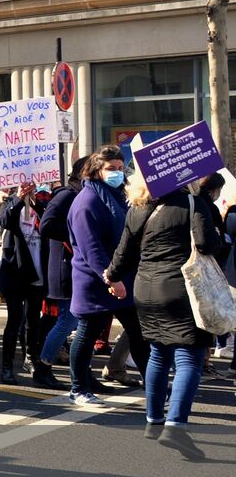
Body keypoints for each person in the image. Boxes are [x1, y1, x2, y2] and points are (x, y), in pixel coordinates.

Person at [102, 172, 221, 459]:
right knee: (189, 357)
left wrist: (111, 276)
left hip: (145, 289)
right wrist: (216, 235)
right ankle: (175, 426)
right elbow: (206, 244)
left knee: (157, 353)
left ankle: (154, 420)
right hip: (182, 288)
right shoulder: (192, 203)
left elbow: (122, 255)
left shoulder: (137, 209)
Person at [66, 146, 146, 406]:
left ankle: (153, 385)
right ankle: (79, 389)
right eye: (111, 169)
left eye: (120, 168)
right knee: (87, 333)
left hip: (121, 277)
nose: (117, 173)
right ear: (96, 171)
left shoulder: (117, 196)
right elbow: (91, 249)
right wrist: (112, 280)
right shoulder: (86, 202)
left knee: (138, 331)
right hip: (96, 280)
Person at [35, 159, 87, 386]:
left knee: (82, 323)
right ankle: (42, 367)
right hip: (65, 268)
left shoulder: (80, 194)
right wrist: (75, 236)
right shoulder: (67, 195)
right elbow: (46, 226)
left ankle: (83, 373)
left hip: (75, 267)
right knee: (67, 321)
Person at [0, 183, 51, 386]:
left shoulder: (40, 206)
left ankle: (31, 359)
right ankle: (7, 367)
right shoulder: (11, 203)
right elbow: (5, 221)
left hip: (37, 273)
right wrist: (19, 198)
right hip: (16, 273)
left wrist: (37, 203)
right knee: (14, 320)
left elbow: (50, 225)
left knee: (33, 320)